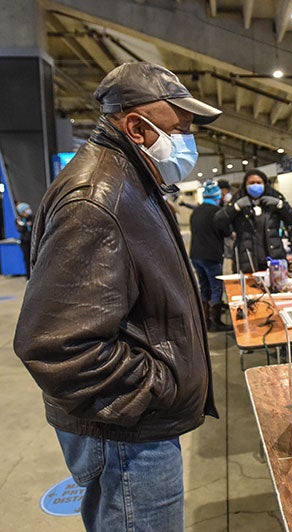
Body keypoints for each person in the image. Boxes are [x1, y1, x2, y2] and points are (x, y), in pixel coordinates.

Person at [13, 61, 221, 530]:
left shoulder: (133, 182)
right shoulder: (97, 199)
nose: (188, 139)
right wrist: (158, 387)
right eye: (180, 127)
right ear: (136, 127)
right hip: (127, 434)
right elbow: (56, 343)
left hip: (132, 427)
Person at [215, 168, 292, 272]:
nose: (255, 185)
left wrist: (281, 205)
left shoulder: (273, 203)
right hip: (247, 261)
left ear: (264, 184)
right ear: (245, 185)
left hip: (274, 260)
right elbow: (218, 222)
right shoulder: (238, 203)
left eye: (259, 182)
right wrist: (235, 207)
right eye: (251, 183)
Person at [189, 180, 231, 332]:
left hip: (195, 255)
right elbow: (227, 232)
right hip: (211, 256)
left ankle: (205, 321)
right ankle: (216, 321)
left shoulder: (197, 211)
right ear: (217, 196)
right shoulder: (216, 212)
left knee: (204, 287)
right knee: (216, 287)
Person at [15, 202, 33, 280]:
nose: (28, 211)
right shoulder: (19, 220)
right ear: (22, 212)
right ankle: (29, 277)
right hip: (25, 243)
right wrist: (26, 225)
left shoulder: (33, 217)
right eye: (26, 210)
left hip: (33, 241)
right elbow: (20, 229)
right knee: (27, 259)